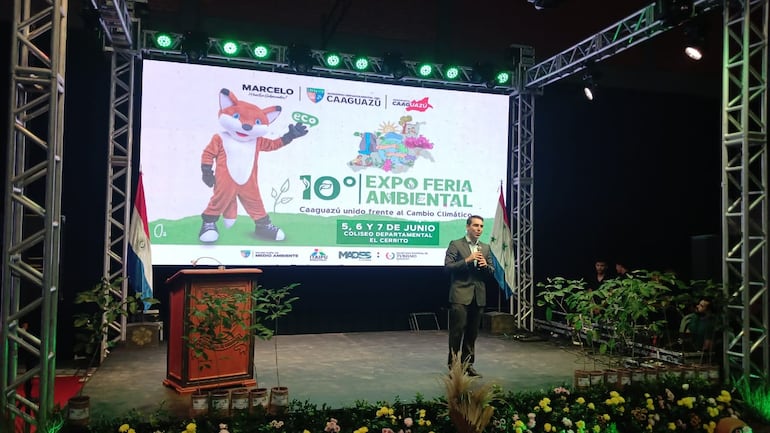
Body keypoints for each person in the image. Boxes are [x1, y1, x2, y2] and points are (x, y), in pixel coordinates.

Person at [444, 215, 495, 377]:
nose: (479, 229)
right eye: (475, 226)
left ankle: (468, 365)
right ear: (467, 227)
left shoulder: (485, 248)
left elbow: (491, 273)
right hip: (460, 294)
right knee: (457, 332)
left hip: (478, 296)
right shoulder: (456, 244)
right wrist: (467, 260)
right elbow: (448, 267)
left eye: (481, 226)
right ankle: (453, 366)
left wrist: (485, 266)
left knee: (472, 333)